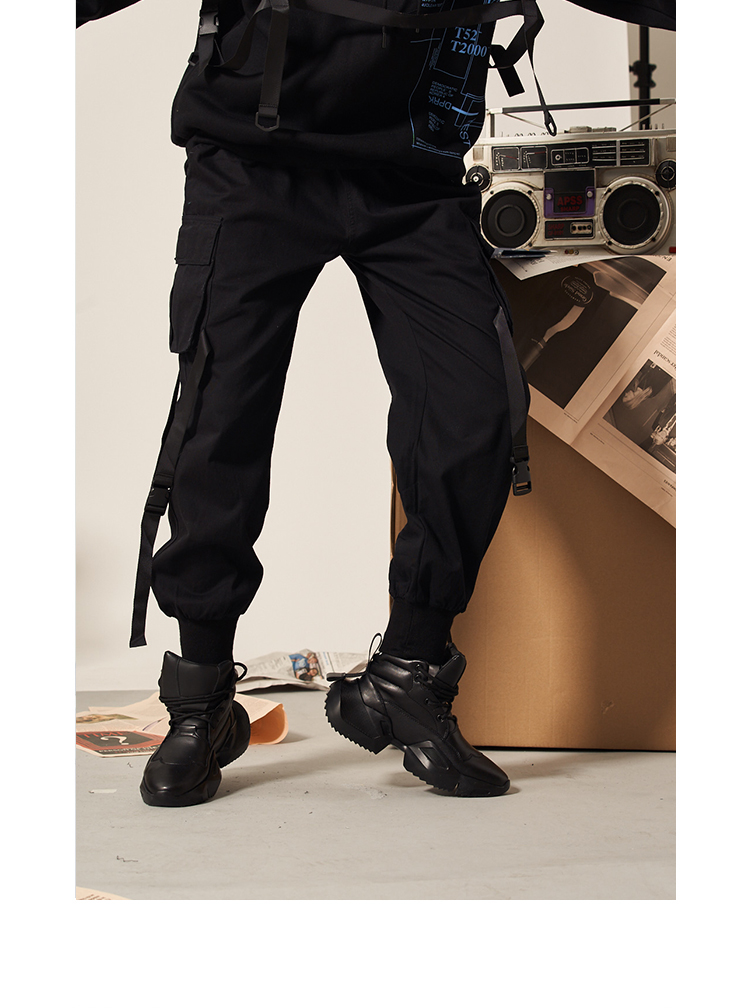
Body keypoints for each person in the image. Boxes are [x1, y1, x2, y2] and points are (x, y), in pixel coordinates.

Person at [76, 0, 675, 808]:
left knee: (474, 409)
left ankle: (407, 674)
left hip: (412, 174)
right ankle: (200, 695)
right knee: (221, 418)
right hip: (255, 158)